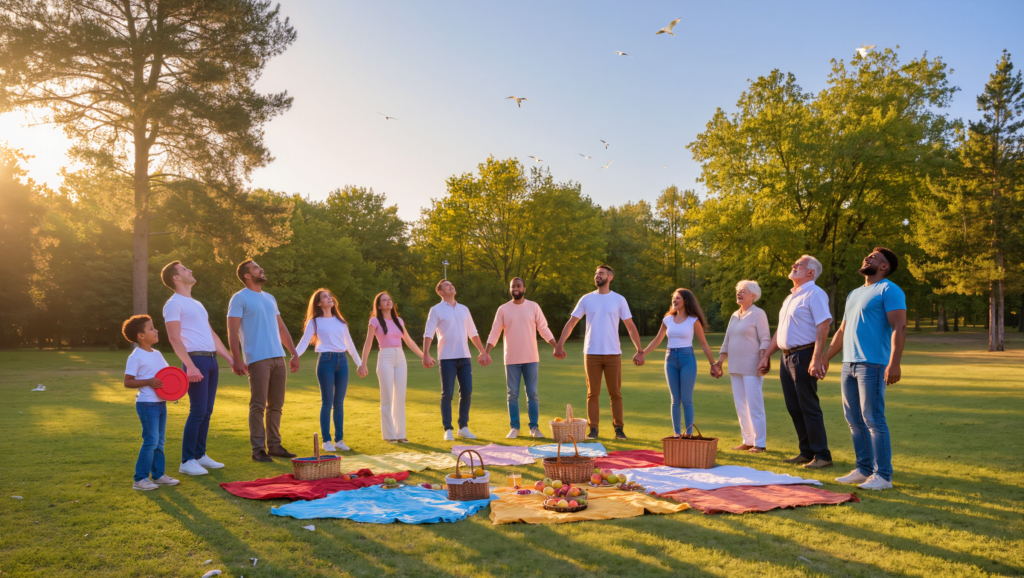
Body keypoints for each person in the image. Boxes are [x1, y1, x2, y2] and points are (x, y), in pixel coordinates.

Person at [822, 247, 907, 491]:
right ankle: (863, 469)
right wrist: (825, 358)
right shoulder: (854, 294)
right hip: (848, 363)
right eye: (867, 255)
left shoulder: (890, 290)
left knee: (873, 419)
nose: (867, 258)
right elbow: (841, 331)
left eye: (874, 257)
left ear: (884, 267)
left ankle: (884, 476)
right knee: (853, 419)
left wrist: (894, 362)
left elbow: (899, 327)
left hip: (873, 364)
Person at [758, 255, 834, 469]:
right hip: (786, 357)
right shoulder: (791, 297)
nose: (794, 265)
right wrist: (766, 355)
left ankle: (822, 455)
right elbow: (781, 331)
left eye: (799, 264)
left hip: (804, 355)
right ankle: (806, 451)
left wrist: (816, 358)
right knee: (794, 406)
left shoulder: (815, 294)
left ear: (810, 273)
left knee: (808, 406)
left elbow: (823, 326)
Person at [160, 261, 233, 477]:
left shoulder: (197, 304)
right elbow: (173, 337)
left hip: (211, 361)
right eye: (184, 269)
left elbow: (211, 334)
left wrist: (230, 359)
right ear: (176, 278)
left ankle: (200, 455)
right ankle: (187, 460)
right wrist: (189, 366)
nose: (189, 270)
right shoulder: (173, 304)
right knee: (198, 410)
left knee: (207, 411)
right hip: (195, 361)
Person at [554, 265, 643, 440]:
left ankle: (619, 429)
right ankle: (593, 429)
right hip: (591, 353)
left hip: (613, 353)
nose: (597, 276)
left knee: (615, 393)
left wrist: (640, 350)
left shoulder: (619, 299)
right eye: (595, 273)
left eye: (601, 273)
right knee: (592, 393)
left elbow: (631, 327)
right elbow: (571, 322)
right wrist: (559, 345)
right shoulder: (587, 299)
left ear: (610, 277)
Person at [227, 260, 300, 463]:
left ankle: (275, 446)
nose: (262, 269)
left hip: (279, 358)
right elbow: (232, 331)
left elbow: (282, 328)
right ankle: (258, 449)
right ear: (247, 275)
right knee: (258, 405)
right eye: (257, 267)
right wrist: (237, 359)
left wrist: (293, 352)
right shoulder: (239, 298)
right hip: (257, 359)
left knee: (276, 405)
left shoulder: (269, 298)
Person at [634, 289, 720, 437]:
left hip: (687, 359)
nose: (674, 300)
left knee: (686, 399)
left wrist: (713, 364)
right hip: (670, 360)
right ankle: (676, 434)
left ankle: (689, 434)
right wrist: (642, 354)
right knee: (675, 400)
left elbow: (704, 344)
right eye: (673, 298)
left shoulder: (693, 320)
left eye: (677, 298)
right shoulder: (667, 320)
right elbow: (657, 340)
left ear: (685, 301)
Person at [484, 277, 557, 439]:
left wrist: (555, 346)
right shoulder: (503, 309)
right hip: (511, 359)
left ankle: (534, 428)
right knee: (512, 394)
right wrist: (486, 351)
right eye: (512, 287)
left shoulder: (533, 307)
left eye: (518, 286)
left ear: (524, 288)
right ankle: (514, 428)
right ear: (510, 290)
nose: (515, 288)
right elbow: (495, 331)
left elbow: (543, 328)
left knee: (532, 394)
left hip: (531, 358)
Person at [294, 288, 364, 452]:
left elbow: (350, 344)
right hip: (326, 361)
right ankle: (327, 441)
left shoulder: (341, 321)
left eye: (330, 296)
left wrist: (360, 364)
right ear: (319, 303)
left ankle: (339, 440)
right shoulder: (314, 322)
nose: (329, 298)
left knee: (339, 403)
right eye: (325, 297)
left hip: (343, 361)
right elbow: (304, 342)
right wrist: (295, 356)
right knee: (327, 402)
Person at [423, 279, 491, 441]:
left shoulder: (464, 309)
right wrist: (425, 353)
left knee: (466, 392)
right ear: (440, 292)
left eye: (451, 284)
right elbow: (428, 333)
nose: (451, 285)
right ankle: (448, 429)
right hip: (447, 358)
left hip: (465, 357)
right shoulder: (436, 310)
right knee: (447, 394)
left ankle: (463, 427)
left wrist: (483, 352)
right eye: (446, 285)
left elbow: (473, 332)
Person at [358, 291, 425, 443]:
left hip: (400, 357)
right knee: (387, 396)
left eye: (389, 299)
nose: (388, 302)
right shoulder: (374, 321)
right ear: (379, 305)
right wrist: (363, 364)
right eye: (384, 300)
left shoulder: (399, 321)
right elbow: (368, 343)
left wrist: (423, 356)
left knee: (400, 396)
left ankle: (401, 433)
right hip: (385, 357)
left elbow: (409, 341)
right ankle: (389, 435)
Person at [121, 315, 179, 491]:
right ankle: (140, 479)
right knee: (151, 441)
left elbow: (167, 376)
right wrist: (148, 381)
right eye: (151, 328)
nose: (156, 330)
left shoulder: (158, 354)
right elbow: (128, 381)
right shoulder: (136, 356)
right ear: (141, 336)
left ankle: (159, 475)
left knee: (159, 441)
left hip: (160, 403)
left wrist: (174, 392)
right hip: (147, 405)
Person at [713, 280, 771, 453]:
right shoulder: (734, 315)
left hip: (752, 366)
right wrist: (719, 363)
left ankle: (760, 443)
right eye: (738, 290)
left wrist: (763, 358)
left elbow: (765, 338)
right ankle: (748, 440)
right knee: (741, 406)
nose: (739, 293)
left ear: (753, 295)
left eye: (743, 291)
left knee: (755, 405)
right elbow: (727, 341)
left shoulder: (758, 314)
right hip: (735, 367)